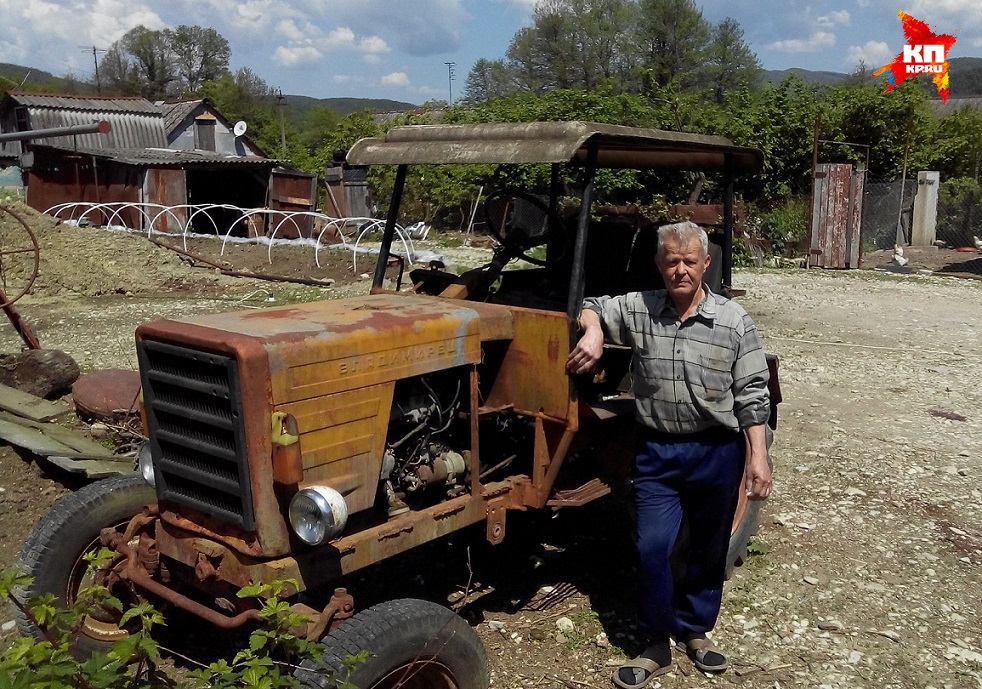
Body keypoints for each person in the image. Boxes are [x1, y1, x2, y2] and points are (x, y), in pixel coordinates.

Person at [565, 221, 772, 688]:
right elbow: (591, 304)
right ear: (660, 265)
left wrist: (758, 456)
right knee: (652, 547)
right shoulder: (639, 308)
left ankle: (696, 630)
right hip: (657, 449)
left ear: (706, 264)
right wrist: (594, 331)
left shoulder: (733, 320)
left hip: (716, 450)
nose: (680, 269)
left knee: (708, 546)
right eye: (671, 261)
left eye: (689, 261)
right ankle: (656, 642)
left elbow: (752, 393)